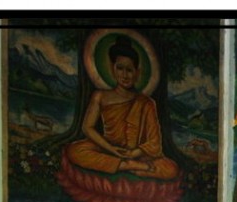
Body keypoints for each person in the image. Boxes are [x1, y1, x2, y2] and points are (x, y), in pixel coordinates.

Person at [64, 35, 179, 180]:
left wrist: (134, 153)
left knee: (171, 169)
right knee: (74, 151)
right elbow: (87, 128)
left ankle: (125, 164)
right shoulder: (100, 96)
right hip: (107, 148)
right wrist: (111, 149)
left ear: (137, 73)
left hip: (137, 154)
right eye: (120, 68)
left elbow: (154, 143)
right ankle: (128, 166)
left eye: (129, 70)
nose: (124, 75)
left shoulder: (146, 102)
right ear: (113, 69)